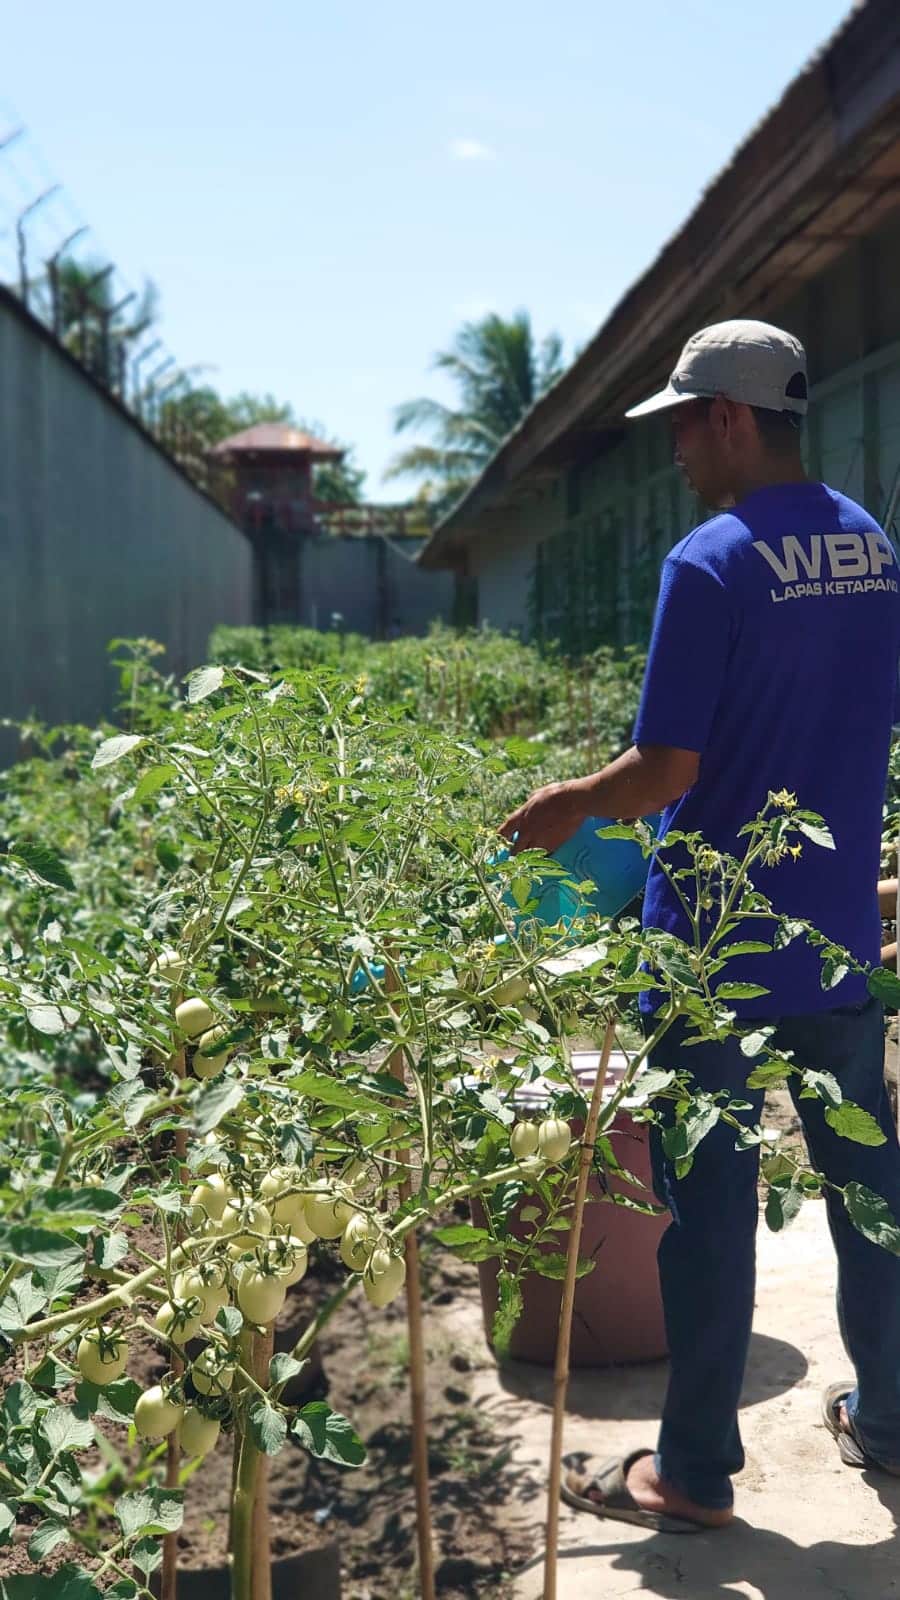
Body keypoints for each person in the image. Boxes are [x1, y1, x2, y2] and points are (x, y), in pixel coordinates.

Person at [499, 319, 900, 1533]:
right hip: (833, 932)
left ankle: (691, 1473)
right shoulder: (873, 546)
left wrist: (571, 802)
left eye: (681, 422)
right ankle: (888, 1418)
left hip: (715, 945)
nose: (675, 448)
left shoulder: (711, 560)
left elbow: (667, 766)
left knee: (710, 1207)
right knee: (868, 1188)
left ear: (728, 418)